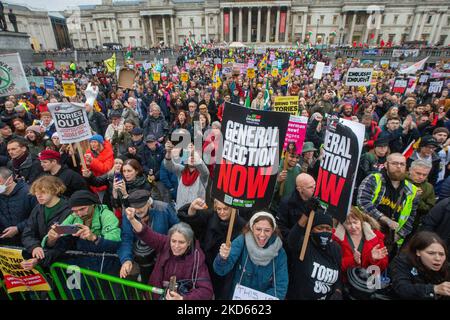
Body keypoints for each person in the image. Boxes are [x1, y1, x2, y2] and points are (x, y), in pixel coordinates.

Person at [124, 209, 214, 300]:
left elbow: (206, 291)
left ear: (189, 243)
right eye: (173, 241)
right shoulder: (165, 243)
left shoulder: (197, 258)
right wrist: (132, 219)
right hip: (156, 296)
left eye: (181, 242)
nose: (176, 246)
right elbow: (146, 233)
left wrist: (182, 298)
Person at [178, 198, 246, 299]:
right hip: (206, 266)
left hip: (226, 271)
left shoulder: (241, 224)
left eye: (225, 209)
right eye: (219, 209)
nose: (222, 212)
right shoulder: (210, 216)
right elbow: (193, 223)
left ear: (233, 209)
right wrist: (192, 208)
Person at [213, 211, 288, 300]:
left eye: (267, 230)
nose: (262, 234)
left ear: (273, 230)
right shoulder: (241, 241)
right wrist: (222, 258)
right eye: (258, 229)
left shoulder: (279, 253)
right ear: (252, 228)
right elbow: (221, 270)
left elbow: (280, 288)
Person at [43, 190, 121, 273]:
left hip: (106, 264)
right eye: (75, 211)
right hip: (85, 264)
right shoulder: (73, 216)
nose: (79, 214)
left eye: (82, 209)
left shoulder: (107, 215)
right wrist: (51, 239)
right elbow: (56, 235)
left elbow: (115, 240)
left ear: (93, 204)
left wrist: (94, 237)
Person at [357, 153, 419, 256]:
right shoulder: (374, 179)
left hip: (389, 240)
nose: (399, 167)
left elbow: (411, 218)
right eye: (394, 163)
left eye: (402, 164)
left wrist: (398, 235)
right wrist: (385, 219)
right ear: (386, 165)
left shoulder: (412, 190)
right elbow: (362, 202)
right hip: (366, 231)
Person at [118, 190, 179, 283]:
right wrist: (126, 259)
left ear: (149, 203)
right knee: (148, 283)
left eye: (141, 206)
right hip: (143, 259)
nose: (138, 210)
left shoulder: (164, 208)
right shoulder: (128, 214)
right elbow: (126, 238)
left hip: (164, 255)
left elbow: (178, 229)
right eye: (135, 207)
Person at [287, 209, 343, 300]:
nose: (324, 231)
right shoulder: (304, 244)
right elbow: (291, 240)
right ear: (311, 230)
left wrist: (338, 291)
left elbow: (338, 277)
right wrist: (306, 214)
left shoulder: (336, 249)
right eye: (320, 228)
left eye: (328, 229)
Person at [20, 176, 71, 270]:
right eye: (36, 192)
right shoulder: (38, 208)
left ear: (55, 190)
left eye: (43, 192)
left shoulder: (69, 210)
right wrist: (34, 246)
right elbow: (28, 233)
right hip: (45, 260)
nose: (38, 196)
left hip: (63, 264)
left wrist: (40, 259)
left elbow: (67, 243)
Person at [332, 207, 389, 280]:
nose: (353, 227)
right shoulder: (335, 238)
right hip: (343, 282)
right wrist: (352, 260)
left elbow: (382, 267)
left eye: (355, 222)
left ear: (361, 221)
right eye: (348, 223)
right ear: (342, 223)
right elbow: (334, 264)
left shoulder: (375, 236)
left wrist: (374, 260)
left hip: (367, 284)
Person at [390, 231, 450, 299]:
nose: (438, 258)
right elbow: (402, 288)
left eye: (441, 254)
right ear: (418, 252)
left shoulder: (446, 267)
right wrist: (434, 289)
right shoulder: (402, 261)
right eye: (431, 253)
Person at [164, 141, 209, 210]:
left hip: (196, 213)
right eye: (189, 155)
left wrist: (193, 152)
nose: (191, 157)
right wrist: (168, 152)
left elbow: (201, 166)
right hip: (180, 210)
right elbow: (169, 166)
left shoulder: (203, 174)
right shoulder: (181, 170)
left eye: (193, 156)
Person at [0, 167, 36, 246]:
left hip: (28, 241)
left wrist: (18, 228)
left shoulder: (29, 193)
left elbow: (36, 217)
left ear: (10, 180)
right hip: (4, 242)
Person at [277, 173, 316, 241]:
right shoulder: (287, 203)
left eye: (314, 186)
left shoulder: (315, 202)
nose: (314, 189)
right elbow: (281, 227)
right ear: (299, 189)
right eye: (310, 187)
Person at [407, 160, 436, 233]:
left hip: (413, 224)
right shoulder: (400, 180)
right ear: (410, 170)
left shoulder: (429, 187)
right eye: (418, 173)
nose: (421, 177)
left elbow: (429, 209)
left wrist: (417, 199)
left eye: (424, 175)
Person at [84, 134, 114, 199]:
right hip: (93, 183)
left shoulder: (109, 153)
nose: (92, 144)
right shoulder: (89, 153)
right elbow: (84, 168)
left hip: (104, 183)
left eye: (95, 142)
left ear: (100, 143)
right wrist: (87, 165)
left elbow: (106, 169)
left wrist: (92, 161)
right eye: (91, 142)